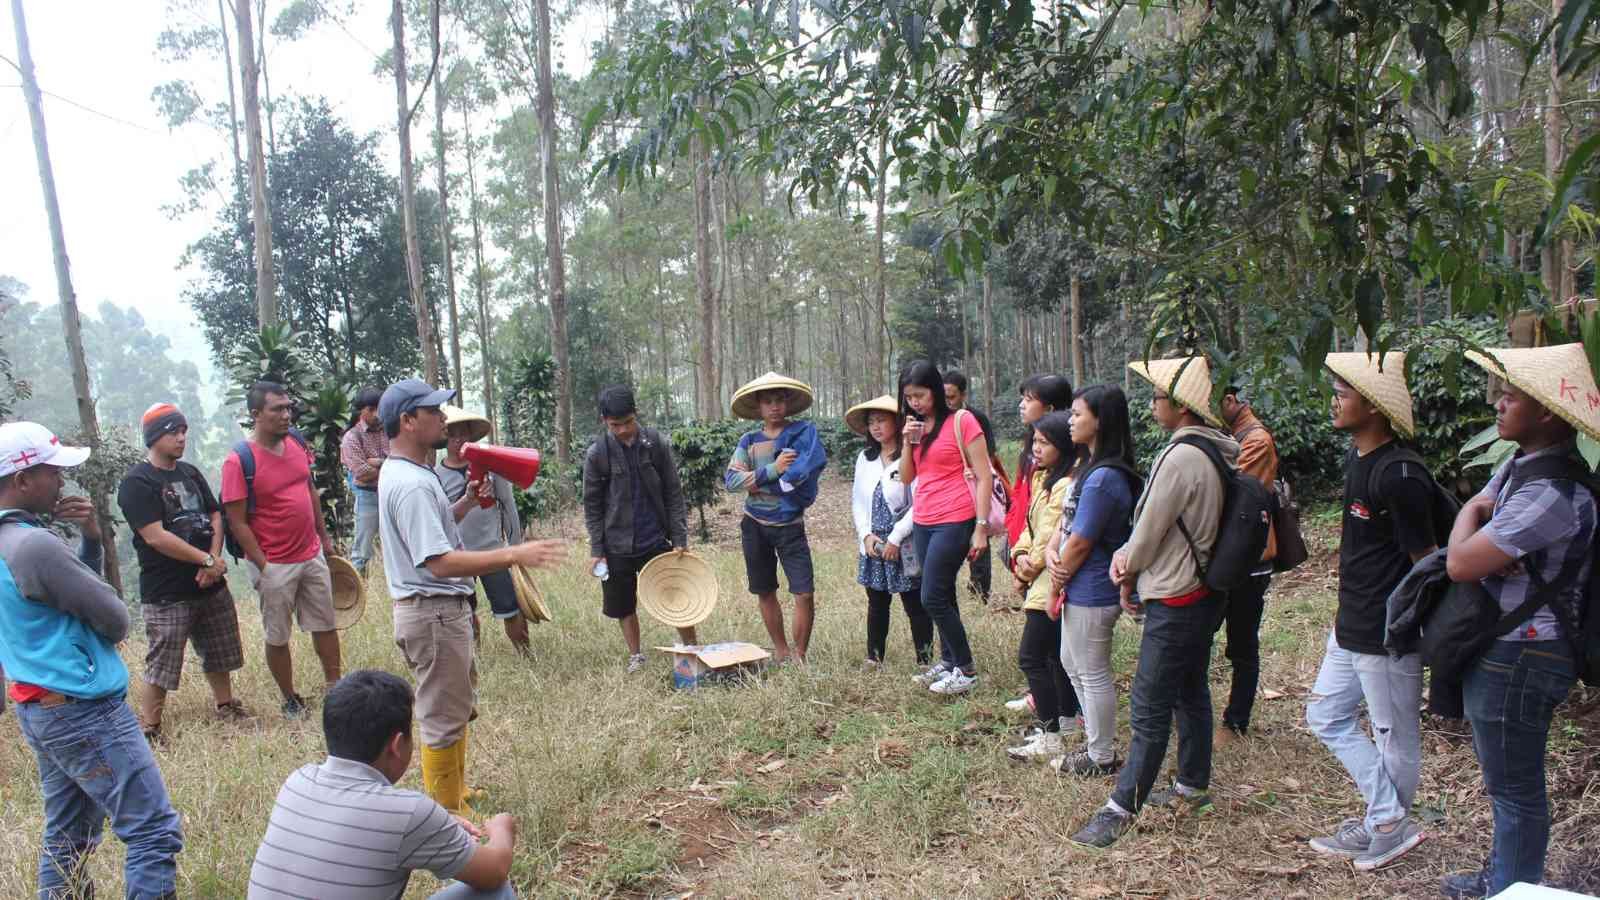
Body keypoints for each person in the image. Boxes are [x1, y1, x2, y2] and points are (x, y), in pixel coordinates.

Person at [0, 421, 185, 899]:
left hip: (39, 705)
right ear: (22, 481)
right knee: (153, 831)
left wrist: (89, 540)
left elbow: (55, 596)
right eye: (52, 472)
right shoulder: (35, 545)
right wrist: (89, 548)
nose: (61, 481)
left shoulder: (16, 543)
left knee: (67, 838)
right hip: (84, 709)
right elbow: (115, 618)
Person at [1439, 344, 1598, 898]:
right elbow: (1476, 510)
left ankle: (1512, 889)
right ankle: (1503, 879)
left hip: (1524, 654)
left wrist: (1477, 521)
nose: (1498, 406)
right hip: (1511, 647)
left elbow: (1460, 562)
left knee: (1516, 790)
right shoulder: (1521, 468)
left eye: (1510, 397)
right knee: (1505, 784)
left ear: (1548, 412)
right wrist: (1475, 516)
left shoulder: (1552, 492)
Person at [377, 378, 567, 812]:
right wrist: (513, 553)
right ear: (408, 421)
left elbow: (435, 532)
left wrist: (462, 503)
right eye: (433, 411)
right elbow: (439, 562)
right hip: (433, 611)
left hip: (439, 611)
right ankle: (447, 813)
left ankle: (455, 792)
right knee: (443, 717)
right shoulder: (412, 483)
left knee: (455, 707)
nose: (444, 419)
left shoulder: (410, 474)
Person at [1070, 356, 1237, 847]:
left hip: (1177, 592)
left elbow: (1148, 530)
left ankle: (1120, 807)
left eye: (1159, 398)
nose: (1153, 405)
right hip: (1197, 589)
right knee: (1189, 690)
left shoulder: (1182, 456)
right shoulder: (1210, 450)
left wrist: (1127, 565)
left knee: (1148, 704)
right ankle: (1191, 784)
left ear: (1182, 408)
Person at [1304, 351, 1434, 870]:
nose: (1334, 400)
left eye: (1344, 392)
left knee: (1393, 733)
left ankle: (1387, 826)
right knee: (1325, 715)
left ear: (1375, 407)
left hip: (1387, 631)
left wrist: (1408, 627)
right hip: (1351, 623)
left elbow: (1425, 563)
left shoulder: (1401, 475)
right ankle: (1387, 816)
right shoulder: (1359, 460)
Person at [248, 670, 519, 899]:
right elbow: (493, 872)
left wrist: (437, 822)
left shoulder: (298, 780)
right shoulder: (408, 812)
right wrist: (501, 828)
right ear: (398, 745)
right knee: (495, 893)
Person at [117, 402, 250, 740]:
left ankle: (226, 705)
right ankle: (150, 726)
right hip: (167, 590)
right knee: (162, 660)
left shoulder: (189, 473)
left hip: (210, 582)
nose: (181, 438)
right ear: (154, 437)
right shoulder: (137, 482)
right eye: (173, 432)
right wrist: (205, 561)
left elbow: (214, 514)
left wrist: (215, 560)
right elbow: (155, 536)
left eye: (183, 431)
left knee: (219, 650)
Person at [222, 380, 342, 719]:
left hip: (311, 553)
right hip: (274, 563)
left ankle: (335, 686)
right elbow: (238, 522)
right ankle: (290, 698)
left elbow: (310, 492)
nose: (287, 415)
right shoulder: (238, 462)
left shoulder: (297, 442)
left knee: (325, 624)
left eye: (289, 407)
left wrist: (325, 539)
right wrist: (264, 564)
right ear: (256, 414)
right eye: (278, 409)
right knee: (278, 635)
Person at [1047, 384, 1140, 777]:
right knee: (1072, 662)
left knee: (1091, 669)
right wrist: (1053, 554)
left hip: (1094, 590)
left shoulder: (1103, 478)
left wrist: (1058, 574)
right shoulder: (1089, 468)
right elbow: (1067, 528)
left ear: (1099, 421)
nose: (1070, 421)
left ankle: (1101, 754)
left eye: (1077, 414)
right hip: (1078, 585)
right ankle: (1095, 742)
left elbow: (1083, 540)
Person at [583, 385, 698, 671]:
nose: (623, 430)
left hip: (655, 537)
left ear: (636, 414)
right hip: (616, 543)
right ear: (604, 421)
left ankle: (691, 650)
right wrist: (597, 549)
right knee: (624, 603)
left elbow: (673, 492)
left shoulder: (656, 443)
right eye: (615, 425)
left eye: (628, 422)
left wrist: (680, 537)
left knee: (676, 593)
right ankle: (636, 655)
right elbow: (592, 505)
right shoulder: (598, 454)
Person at [901, 360, 993, 696]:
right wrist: (908, 442)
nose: (915, 403)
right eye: (909, 397)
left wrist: (981, 526)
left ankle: (966, 669)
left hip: (956, 517)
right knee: (941, 591)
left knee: (932, 596)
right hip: (924, 517)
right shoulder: (915, 427)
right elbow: (908, 477)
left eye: (921, 395)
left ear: (936, 391)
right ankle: (948, 660)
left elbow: (985, 476)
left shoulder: (962, 421)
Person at [724, 372, 828, 664]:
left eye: (779, 400)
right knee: (765, 590)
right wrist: (773, 470)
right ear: (759, 407)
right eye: (768, 401)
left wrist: (756, 481)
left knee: (804, 592)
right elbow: (732, 481)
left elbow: (809, 470)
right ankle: (781, 650)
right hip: (754, 526)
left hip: (790, 526)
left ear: (787, 403)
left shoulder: (801, 435)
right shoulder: (749, 440)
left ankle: (800, 654)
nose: (774, 407)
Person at [1002, 374, 1076, 717]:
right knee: (1049, 652)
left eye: (1043, 443)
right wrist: (1018, 554)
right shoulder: (1041, 475)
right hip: (1031, 566)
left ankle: (1055, 722)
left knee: (1036, 654)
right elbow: (1032, 522)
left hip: (1048, 575)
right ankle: (1060, 712)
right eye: (1035, 442)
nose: (1035, 449)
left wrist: (1030, 564)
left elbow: (1051, 529)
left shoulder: (1065, 484)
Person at [1213, 386, 1280, 742]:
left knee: (1241, 643)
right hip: (1224, 555)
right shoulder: (1231, 434)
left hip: (1249, 559)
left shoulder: (1256, 440)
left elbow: (1227, 489)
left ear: (1231, 400)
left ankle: (1236, 720)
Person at [436, 405, 530, 654]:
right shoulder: (434, 476)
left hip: (492, 550)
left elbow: (509, 507)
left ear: (472, 437)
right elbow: (438, 521)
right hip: (457, 555)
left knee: (511, 608)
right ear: (445, 437)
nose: (459, 441)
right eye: (453, 435)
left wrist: (517, 548)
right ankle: (474, 658)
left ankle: (526, 655)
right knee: (465, 611)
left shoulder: (492, 469)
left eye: (464, 434)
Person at [846, 394, 931, 668]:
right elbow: (858, 501)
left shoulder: (912, 454)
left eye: (882, 420)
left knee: (914, 602)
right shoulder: (865, 458)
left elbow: (919, 502)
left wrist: (896, 538)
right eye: (872, 422)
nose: (876, 427)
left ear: (897, 422)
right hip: (874, 541)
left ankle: (924, 659)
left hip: (905, 540)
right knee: (877, 601)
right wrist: (866, 535)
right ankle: (874, 656)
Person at [943, 369, 998, 604]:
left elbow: (990, 457)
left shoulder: (975, 418)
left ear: (963, 394)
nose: (947, 402)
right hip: (946, 494)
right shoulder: (934, 419)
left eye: (951, 397)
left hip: (974, 487)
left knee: (978, 538)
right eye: (942, 396)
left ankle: (979, 591)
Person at [340, 387, 389, 574]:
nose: (376, 413)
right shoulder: (352, 437)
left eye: (379, 408)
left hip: (389, 492)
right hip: (367, 496)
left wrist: (376, 463)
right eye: (371, 409)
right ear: (362, 410)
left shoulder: (388, 431)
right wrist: (388, 465)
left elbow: (400, 460)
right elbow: (361, 473)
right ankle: (358, 593)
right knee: (362, 550)